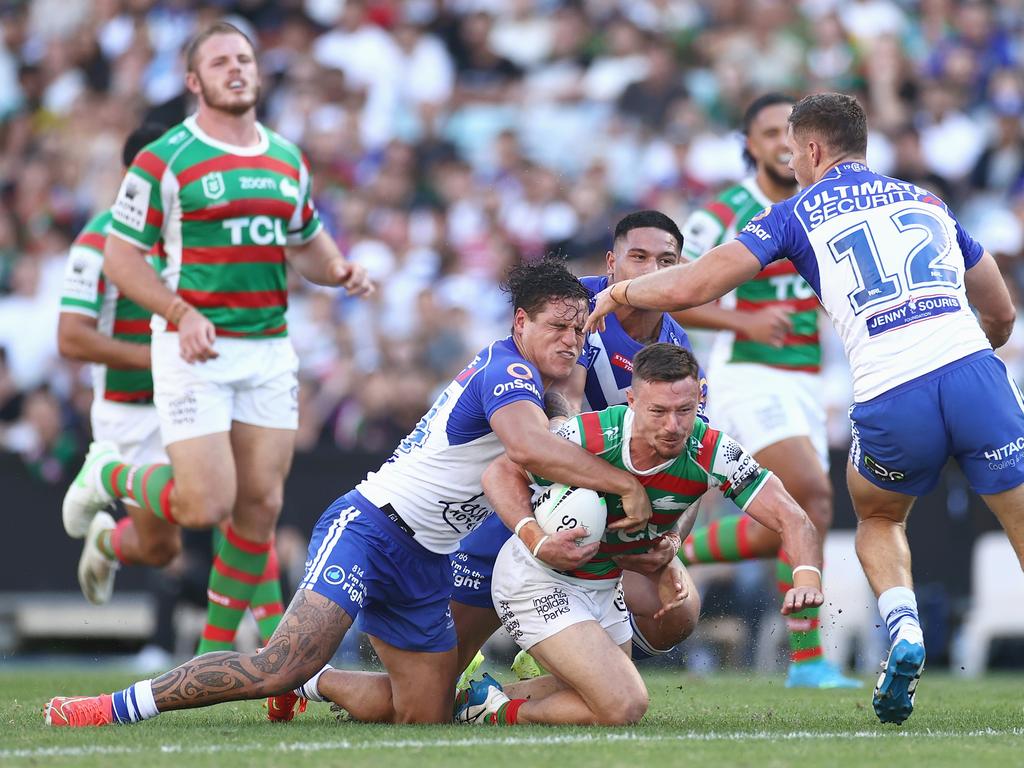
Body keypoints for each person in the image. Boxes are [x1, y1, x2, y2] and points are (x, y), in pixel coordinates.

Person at [44, 256, 653, 728]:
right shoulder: (506, 371)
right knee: (278, 661)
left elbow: (555, 435)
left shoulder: (546, 384)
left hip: (427, 560)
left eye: (579, 329)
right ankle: (110, 707)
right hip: (371, 528)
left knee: (425, 715)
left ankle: (319, 685)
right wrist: (624, 485)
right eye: (557, 326)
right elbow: (529, 447)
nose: (572, 340)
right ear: (520, 322)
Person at [584, 92, 1022, 725]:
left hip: (888, 388)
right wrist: (977, 358)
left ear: (813, 149)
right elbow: (1002, 312)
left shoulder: (792, 213)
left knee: (875, 516)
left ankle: (903, 626)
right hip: (972, 372)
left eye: (792, 147)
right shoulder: (926, 200)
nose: (789, 159)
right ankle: (799, 637)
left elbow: (694, 283)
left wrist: (620, 289)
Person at [292, 211, 706, 722]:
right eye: (637, 257)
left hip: (603, 508)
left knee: (677, 612)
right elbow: (561, 400)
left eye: (665, 261)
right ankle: (314, 680)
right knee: (428, 704)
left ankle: (526, 670)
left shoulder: (677, 349)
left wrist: (671, 538)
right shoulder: (579, 309)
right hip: (539, 489)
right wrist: (569, 473)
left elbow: (687, 461)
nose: (650, 270)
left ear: (680, 267)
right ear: (612, 262)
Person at [59, 22, 372, 656]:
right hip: (193, 349)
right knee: (204, 507)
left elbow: (307, 243)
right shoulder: (166, 158)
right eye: (221, 60)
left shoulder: (286, 158)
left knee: (258, 509)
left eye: (245, 59)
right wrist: (178, 312)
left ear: (258, 74)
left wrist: (338, 269)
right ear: (193, 80)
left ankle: (211, 660)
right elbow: (122, 259)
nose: (237, 68)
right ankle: (109, 474)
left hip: (268, 353)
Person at [456, 343, 825, 726]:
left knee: (624, 665)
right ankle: (496, 714)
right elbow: (500, 473)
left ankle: (476, 699)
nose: (673, 426)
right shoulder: (594, 436)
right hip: (538, 581)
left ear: (700, 396)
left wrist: (805, 578)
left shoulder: (713, 450)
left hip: (604, 586)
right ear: (632, 400)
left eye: (684, 411)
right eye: (658, 411)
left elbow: (791, 515)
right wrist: (537, 538)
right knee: (624, 705)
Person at [675, 93, 859, 689]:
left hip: (805, 377)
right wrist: (742, 321)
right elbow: (677, 290)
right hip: (746, 372)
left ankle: (679, 553)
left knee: (804, 512)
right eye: (769, 130)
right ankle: (807, 660)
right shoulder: (725, 211)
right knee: (807, 491)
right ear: (749, 145)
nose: (783, 140)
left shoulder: (823, 205)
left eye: (792, 130)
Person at [57, 123, 179, 605]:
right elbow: (70, 337)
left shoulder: (190, 234)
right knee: (160, 547)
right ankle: (105, 488)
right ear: (132, 175)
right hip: (129, 411)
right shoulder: (97, 240)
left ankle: (250, 663)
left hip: (186, 399)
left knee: (233, 510)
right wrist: (161, 360)